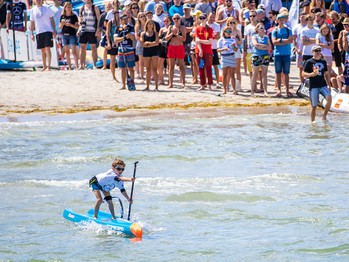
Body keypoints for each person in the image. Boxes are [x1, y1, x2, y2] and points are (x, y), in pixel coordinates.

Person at [302, 45, 332, 122]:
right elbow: (303, 74)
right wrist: (311, 74)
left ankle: (324, 116)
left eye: (319, 51)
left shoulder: (323, 61)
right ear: (312, 52)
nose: (318, 52)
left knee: (329, 98)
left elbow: (326, 74)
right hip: (313, 86)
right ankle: (312, 122)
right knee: (314, 106)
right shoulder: (309, 62)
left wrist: (329, 84)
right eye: (316, 51)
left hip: (323, 84)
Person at [30, 0, 56, 71]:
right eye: (37, 0)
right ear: (35, 1)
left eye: (40, 0)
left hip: (47, 30)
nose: (38, 1)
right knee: (42, 50)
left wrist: (54, 30)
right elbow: (32, 22)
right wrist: (31, 33)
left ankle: (49, 66)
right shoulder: (33, 10)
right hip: (39, 31)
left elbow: (52, 19)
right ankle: (44, 66)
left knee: (47, 48)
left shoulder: (47, 8)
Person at [271, 13, 293, 97]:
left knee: (286, 73)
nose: (281, 21)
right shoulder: (275, 30)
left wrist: (279, 40)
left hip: (286, 53)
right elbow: (274, 42)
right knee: (278, 72)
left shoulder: (288, 30)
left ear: (285, 20)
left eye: (282, 19)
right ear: (277, 20)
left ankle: (287, 90)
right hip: (277, 54)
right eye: (280, 19)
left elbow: (290, 40)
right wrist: (283, 41)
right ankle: (279, 90)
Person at [77, 0, 101, 69]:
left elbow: (98, 19)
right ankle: (82, 65)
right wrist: (79, 28)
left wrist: (98, 30)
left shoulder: (95, 8)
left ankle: (94, 65)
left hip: (92, 30)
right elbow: (80, 18)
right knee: (82, 47)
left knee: (93, 47)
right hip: (84, 30)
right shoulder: (82, 8)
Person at [115, 13, 136, 90]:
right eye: (124, 20)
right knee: (122, 68)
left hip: (129, 49)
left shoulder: (131, 27)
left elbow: (132, 38)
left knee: (131, 68)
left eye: (127, 19)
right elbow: (116, 40)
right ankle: (123, 85)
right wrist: (124, 37)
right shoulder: (117, 29)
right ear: (121, 21)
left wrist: (127, 32)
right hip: (121, 49)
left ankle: (132, 84)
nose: (126, 21)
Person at [166, 13, 186, 88]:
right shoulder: (170, 27)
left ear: (180, 19)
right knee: (171, 66)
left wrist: (177, 34)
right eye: (174, 18)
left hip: (179, 46)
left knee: (181, 66)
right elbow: (167, 38)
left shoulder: (182, 28)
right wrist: (172, 33)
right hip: (172, 47)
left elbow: (184, 39)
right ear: (172, 20)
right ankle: (170, 83)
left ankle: (183, 82)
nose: (176, 20)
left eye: (177, 18)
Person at [251, 22, 271, 96]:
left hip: (265, 55)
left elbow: (270, 47)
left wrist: (261, 46)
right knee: (254, 74)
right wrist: (264, 46)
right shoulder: (254, 36)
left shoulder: (266, 37)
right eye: (261, 28)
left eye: (263, 28)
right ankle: (252, 91)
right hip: (256, 55)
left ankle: (265, 91)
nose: (263, 29)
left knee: (264, 74)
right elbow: (256, 45)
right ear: (257, 29)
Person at [195, 13, 214, 91]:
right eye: (201, 18)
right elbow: (197, 41)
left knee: (208, 68)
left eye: (204, 18)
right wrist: (201, 50)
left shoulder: (210, 29)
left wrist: (200, 40)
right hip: (199, 51)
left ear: (206, 19)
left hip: (208, 51)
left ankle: (210, 84)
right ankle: (202, 84)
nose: (202, 19)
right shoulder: (197, 29)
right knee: (201, 68)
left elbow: (210, 41)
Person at [217, 27, 238, 94]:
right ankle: (224, 89)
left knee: (232, 74)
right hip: (224, 57)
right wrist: (224, 49)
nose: (229, 33)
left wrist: (234, 46)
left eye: (230, 32)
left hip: (231, 56)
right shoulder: (221, 40)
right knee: (224, 74)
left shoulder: (233, 40)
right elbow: (218, 49)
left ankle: (234, 89)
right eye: (227, 31)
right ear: (224, 32)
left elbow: (236, 50)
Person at [140, 19, 159, 91]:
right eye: (149, 24)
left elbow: (157, 43)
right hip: (146, 52)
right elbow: (142, 44)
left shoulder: (155, 33)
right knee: (148, 69)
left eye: (152, 24)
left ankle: (156, 86)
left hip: (154, 52)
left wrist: (148, 43)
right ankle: (147, 86)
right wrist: (152, 43)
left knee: (154, 69)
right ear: (146, 25)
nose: (150, 25)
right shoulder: (143, 33)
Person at [59, 2, 79, 70]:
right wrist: (62, 24)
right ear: (65, 8)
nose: (69, 8)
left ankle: (76, 66)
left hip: (72, 34)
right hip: (64, 34)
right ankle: (69, 66)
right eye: (68, 7)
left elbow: (77, 26)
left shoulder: (74, 16)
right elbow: (60, 27)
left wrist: (70, 25)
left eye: (70, 7)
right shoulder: (62, 16)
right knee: (67, 51)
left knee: (73, 51)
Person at [207, 12, 221, 89]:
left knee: (215, 65)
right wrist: (211, 35)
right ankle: (208, 81)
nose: (212, 19)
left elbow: (217, 36)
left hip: (214, 47)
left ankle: (218, 82)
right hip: (206, 47)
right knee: (206, 66)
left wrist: (209, 36)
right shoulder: (204, 24)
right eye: (210, 17)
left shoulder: (217, 25)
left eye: (213, 17)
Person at [293, 12, 307, 83]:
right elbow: (294, 39)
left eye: (304, 17)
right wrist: (296, 48)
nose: (303, 19)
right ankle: (302, 83)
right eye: (301, 17)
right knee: (301, 68)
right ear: (299, 18)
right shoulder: (296, 27)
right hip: (300, 50)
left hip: (307, 50)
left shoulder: (308, 26)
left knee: (308, 67)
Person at [158, 15, 171, 85]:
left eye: (167, 21)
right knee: (159, 65)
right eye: (164, 21)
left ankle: (169, 79)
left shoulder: (171, 28)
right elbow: (159, 37)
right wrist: (160, 40)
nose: (166, 22)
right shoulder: (162, 29)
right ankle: (161, 79)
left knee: (170, 65)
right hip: (162, 47)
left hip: (169, 47)